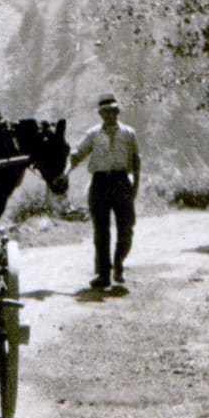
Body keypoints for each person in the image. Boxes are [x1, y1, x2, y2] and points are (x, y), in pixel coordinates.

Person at [68, 92, 140, 288]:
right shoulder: (92, 134)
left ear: (118, 112)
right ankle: (103, 274)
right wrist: (68, 168)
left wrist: (135, 186)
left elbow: (136, 161)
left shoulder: (129, 133)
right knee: (101, 232)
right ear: (100, 114)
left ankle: (118, 263)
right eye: (105, 112)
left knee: (126, 229)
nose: (109, 115)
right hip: (99, 184)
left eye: (112, 111)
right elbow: (78, 154)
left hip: (122, 182)